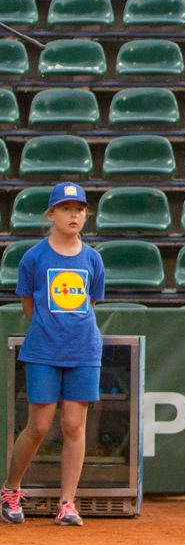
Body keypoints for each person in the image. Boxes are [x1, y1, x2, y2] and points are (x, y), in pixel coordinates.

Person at [2, 182, 103, 527]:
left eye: (79, 209)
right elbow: (29, 304)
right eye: (66, 208)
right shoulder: (33, 257)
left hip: (84, 350)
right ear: (51, 214)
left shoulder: (93, 259)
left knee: (74, 426)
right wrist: (50, 329)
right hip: (43, 350)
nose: (74, 215)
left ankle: (67, 503)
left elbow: (89, 304)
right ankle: (11, 490)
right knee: (39, 425)